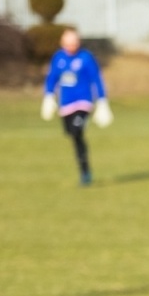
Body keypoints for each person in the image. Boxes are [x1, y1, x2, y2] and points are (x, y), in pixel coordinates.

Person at [39, 28, 111, 187]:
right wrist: (49, 96)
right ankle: (83, 168)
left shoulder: (86, 58)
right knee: (72, 134)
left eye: (74, 43)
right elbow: (52, 78)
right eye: (68, 44)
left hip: (83, 102)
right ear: (63, 43)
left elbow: (96, 78)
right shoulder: (58, 58)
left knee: (78, 130)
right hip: (66, 104)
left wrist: (102, 101)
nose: (71, 46)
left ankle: (85, 173)